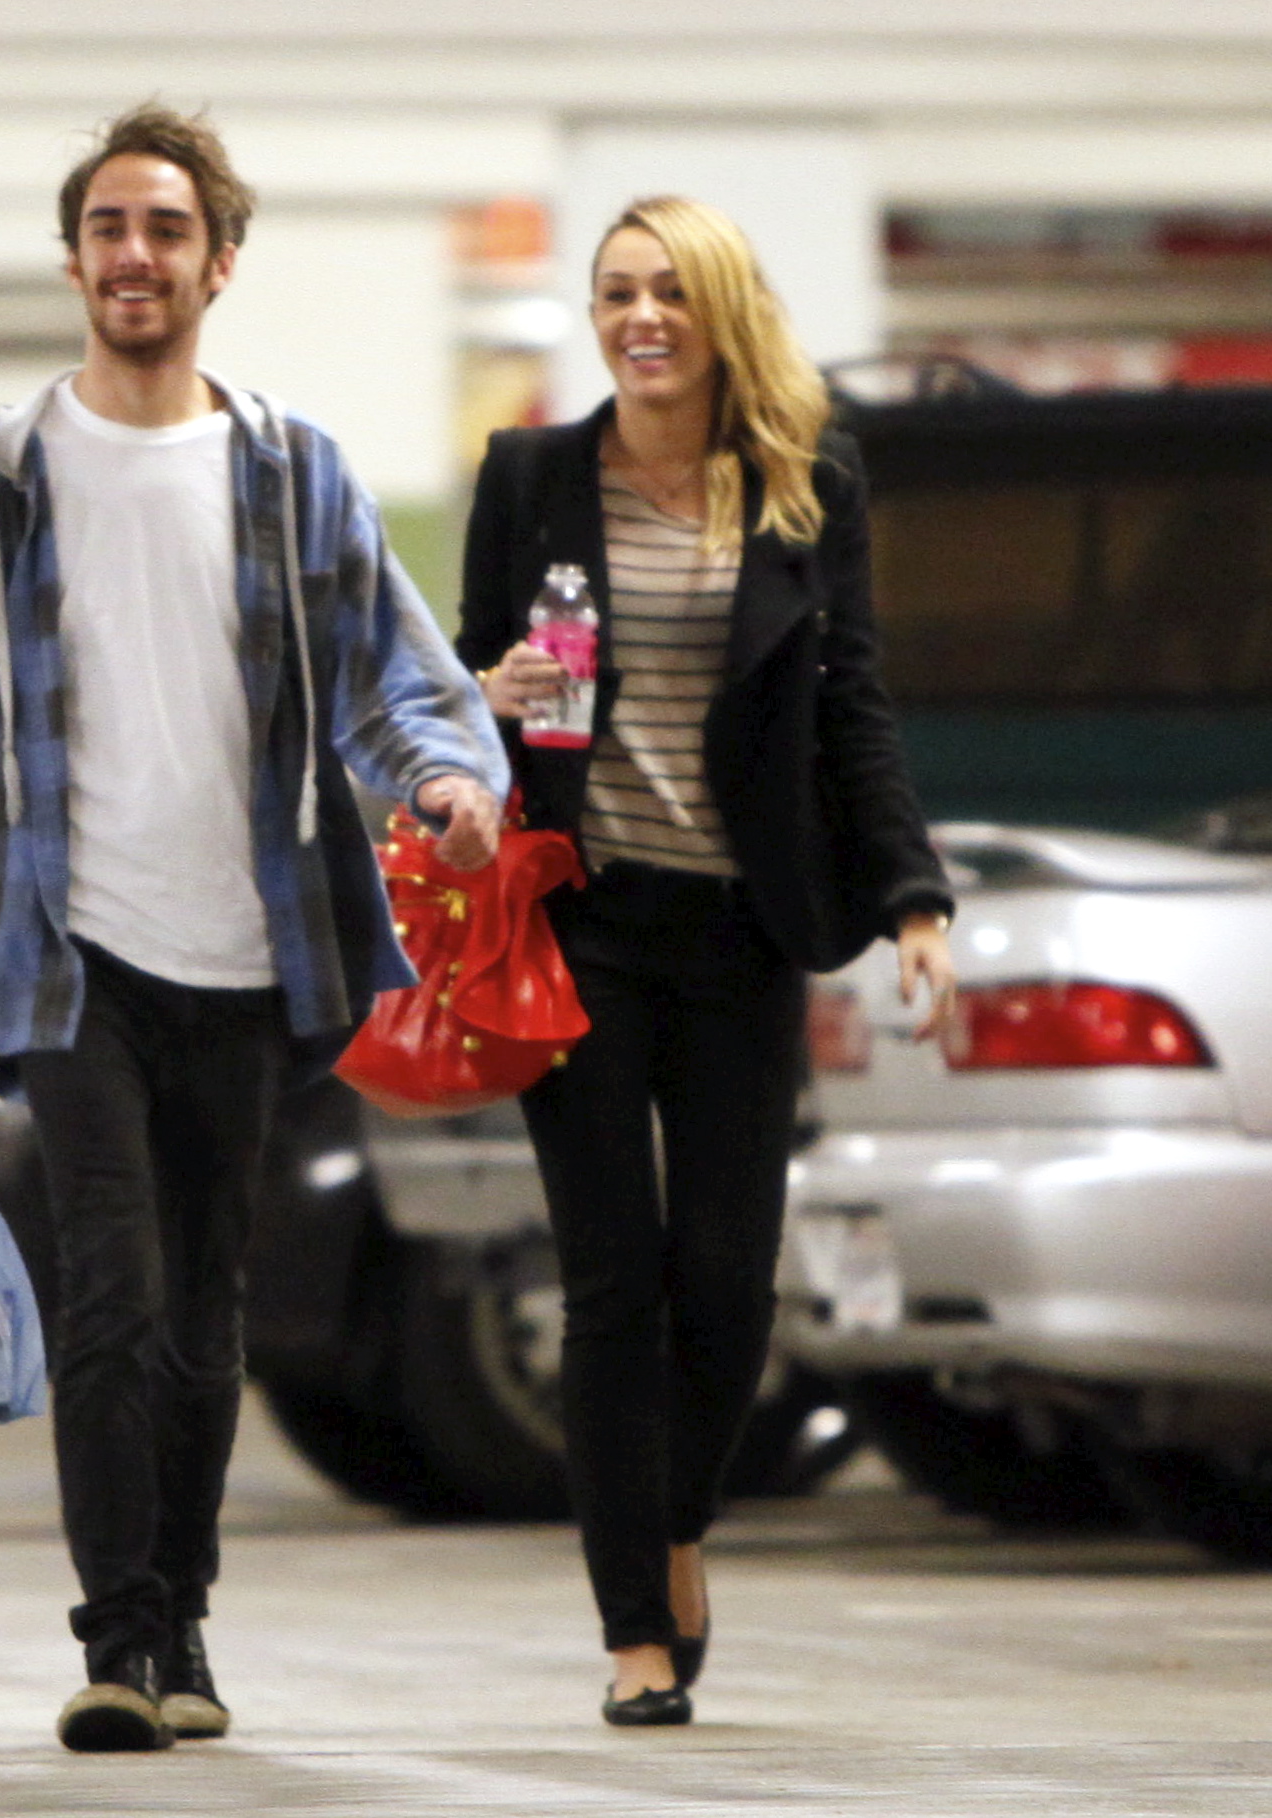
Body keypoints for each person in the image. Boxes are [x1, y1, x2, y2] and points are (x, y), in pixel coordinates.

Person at [0, 103, 506, 1754]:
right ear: (72, 258)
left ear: (219, 262)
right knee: (114, 1289)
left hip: (248, 950)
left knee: (208, 1308)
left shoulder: (291, 471)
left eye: (165, 227)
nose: (133, 254)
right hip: (68, 954)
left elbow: (392, 672)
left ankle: (188, 1616)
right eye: (106, 227)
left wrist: (447, 777)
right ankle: (119, 1637)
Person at [455, 195, 957, 1727]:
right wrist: (486, 692)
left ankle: (675, 1524)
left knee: (729, 1279)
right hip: (582, 920)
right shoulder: (531, 477)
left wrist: (912, 896)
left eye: (670, 290)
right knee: (611, 1277)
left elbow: (852, 706)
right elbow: (456, 686)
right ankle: (632, 1630)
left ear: (721, 310)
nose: (641, 318)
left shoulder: (803, 485)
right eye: (616, 292)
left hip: (743, 929)